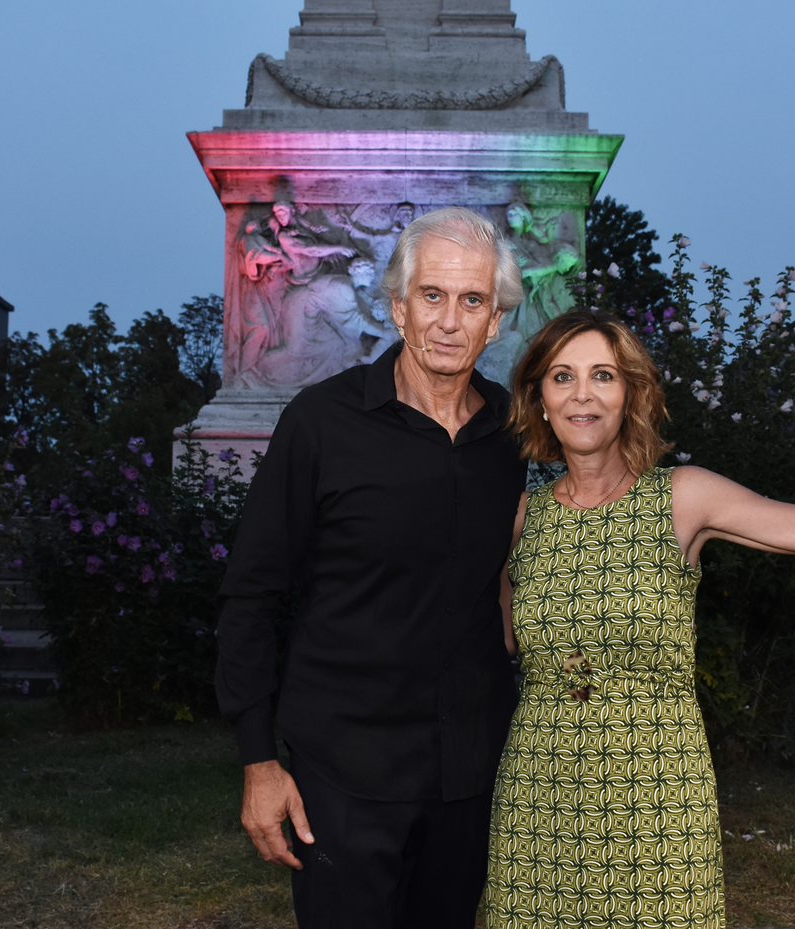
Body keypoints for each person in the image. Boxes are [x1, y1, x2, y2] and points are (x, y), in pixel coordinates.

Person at [484, 310, 795, 928]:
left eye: (603, 376)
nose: (582, 394)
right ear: (538, 399)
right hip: (540, 793)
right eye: (562, 377)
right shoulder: (518, 519)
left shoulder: (681, 496)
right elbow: (492, 640)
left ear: (631, 395)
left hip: (657, 792)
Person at [215, 207, 528, 928]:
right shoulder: (321, 424)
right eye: (432, 295)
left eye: (472, 300)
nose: (450, 321)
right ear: (397, 306)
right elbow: (251, 594)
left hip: (469, 774)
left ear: (496, 321)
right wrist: (259, 760)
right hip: (342, 774)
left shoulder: (511, 432)